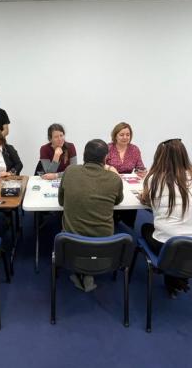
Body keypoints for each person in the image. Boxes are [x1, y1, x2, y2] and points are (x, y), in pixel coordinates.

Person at [140, 138, 192, 298]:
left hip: (168, 245)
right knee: (179, 242)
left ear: (160, 157)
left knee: (145, 228)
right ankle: (178, 277)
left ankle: (173, 276)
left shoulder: (154, 179)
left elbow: (146, 200)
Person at [58, 139, 123, 292]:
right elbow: (118, 200)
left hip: (71, 243)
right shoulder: (114, 179)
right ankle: (87, 272)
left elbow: (61, 201)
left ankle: (80, 271)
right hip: (104, 245)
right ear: (105, 158)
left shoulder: (70, 171)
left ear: (84, 156)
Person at [106, 122, 146, 227]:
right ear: (115, 135)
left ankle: (128, 226)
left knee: (132, 203)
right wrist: (110, 168)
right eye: (121, 134)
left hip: (127, 184)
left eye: (128, 135)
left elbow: (140, 167)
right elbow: (100, 165)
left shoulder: (134, 149)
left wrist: (142, 172)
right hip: (109, 181)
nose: (125, 137)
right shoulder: (108, 148)